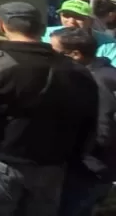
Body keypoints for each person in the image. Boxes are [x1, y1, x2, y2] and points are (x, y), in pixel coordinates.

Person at [0, 1, 99, 216]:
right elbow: (89, 123)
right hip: (52, 171)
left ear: (1, 25)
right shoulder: (78, 72)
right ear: (41, 29)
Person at [50, 27, 116, 216]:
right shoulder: (107, 73)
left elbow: (103, 130)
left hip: (89, 170)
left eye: (54, 51)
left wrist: (79, 154)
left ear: (75, 54)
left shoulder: (95, 80)